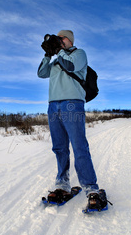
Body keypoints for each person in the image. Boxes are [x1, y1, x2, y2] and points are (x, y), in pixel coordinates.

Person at [37, 30, 108, 210]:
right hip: (53, 106)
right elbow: (41, 73)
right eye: (57, 39)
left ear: (69, 40)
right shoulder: (55, 60)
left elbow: (69, 66)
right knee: (60, 148)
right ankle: (62, 184)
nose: (59, 41)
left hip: (72, 104)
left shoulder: (79, 54)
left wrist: (59, 50)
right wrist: (47, 54)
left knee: (79, 146)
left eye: (61, 39)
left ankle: (91, 189)